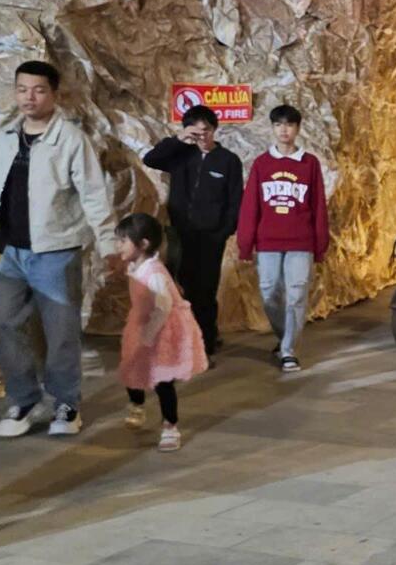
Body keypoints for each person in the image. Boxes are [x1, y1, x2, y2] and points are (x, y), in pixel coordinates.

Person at [0, 59, 118, 439]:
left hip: (56, 251)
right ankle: (25, 400)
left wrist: (108, 243)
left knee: (60, 332)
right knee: (2, 325)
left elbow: (94, 194)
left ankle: (65, 402)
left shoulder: (71, 140)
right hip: (9, 253)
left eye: (38, 90)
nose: (29, 97)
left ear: (54, 94)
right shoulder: (5, 137)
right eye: (22, 89)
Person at [142, 105, 243, 356]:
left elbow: (235, 200)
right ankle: (184, 339)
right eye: (196, 132)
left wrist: (225, 230)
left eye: (206, 130)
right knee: (182, 288)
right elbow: (150, 159)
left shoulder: (228, 160)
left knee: (206, 289)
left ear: (214, 130)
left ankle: (206, 341)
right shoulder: (180, 155)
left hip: (211, 236)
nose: (202, 136)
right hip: (181, 234)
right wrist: (179, 140)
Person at [236, 103, 329, 374]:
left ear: (297, 128)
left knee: (297, 295)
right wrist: (245, 244)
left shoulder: (309, 163)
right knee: (269, 294)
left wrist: (320, 245)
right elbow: (251, 206)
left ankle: (289, 350)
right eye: (278, 125)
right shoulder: (262, 164)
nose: (284, 130)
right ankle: (284, 335)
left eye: (289, 125)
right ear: (272, 128)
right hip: (268, 241)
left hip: (301, 241)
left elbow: (318, 206)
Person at [116, 213, 208, 453]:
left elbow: (163, 308)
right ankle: (137, 404)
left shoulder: (154, 273)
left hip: (161, 330)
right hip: (144, 325)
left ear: (143, 244)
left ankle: (170, 426)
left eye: (123, 241)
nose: (119, 246)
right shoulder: (135, 266)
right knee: (131, 367)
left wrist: (147, 337)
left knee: (162, 380)